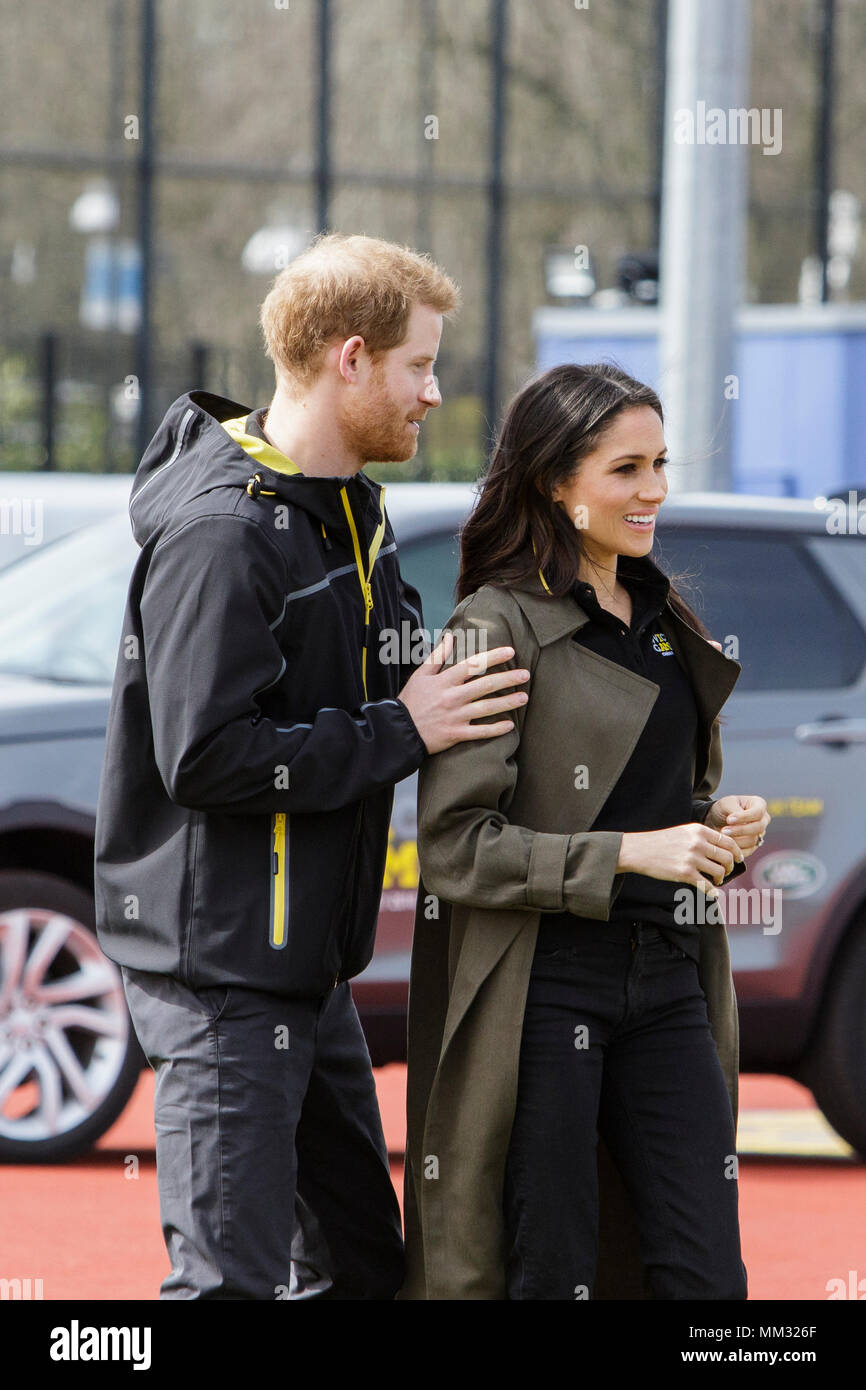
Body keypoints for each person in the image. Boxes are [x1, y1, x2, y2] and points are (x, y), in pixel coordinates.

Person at [93, 232, 529, 1300]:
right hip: (223, 974)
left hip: (304, 972)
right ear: (348, 358)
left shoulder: (350, 512)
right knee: (227, 1285)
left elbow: (365, 687)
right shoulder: (222, 537)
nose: (432, 393)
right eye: (418, 365)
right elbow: (206, 755)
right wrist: (403, 730)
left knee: (360, 1270)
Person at [401, 362, 771, 1300]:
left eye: (660, 463)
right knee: (552, 1269)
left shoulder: (660, 616)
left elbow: (645, 800)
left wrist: (716, 823)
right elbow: (454, 847)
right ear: (555, 483)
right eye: (625, 468)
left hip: (671, 978)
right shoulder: (496, 626)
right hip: (544, 988)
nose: (653, 489)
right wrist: (629, 855)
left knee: (706, 1275)